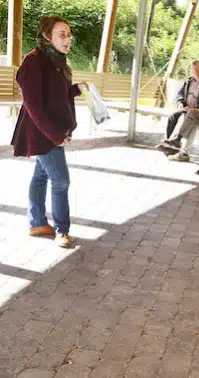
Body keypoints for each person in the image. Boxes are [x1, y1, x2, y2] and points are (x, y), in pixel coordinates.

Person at [11, 16, 87, 248]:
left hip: (51, 129)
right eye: (61, 34)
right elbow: (34, 106)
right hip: (42, 133)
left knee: (41, 176)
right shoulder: (34, 61)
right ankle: (61, 230)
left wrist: (75, 90)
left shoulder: (56, 60)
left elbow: (53, 92)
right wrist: (55, 136)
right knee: (61, 181)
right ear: (47, 36)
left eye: (68, 34)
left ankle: (36, 223)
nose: (67, 39)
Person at [156, 60, 199, 145]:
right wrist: (180, 103)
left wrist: (193, 107)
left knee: (185, 116)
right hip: (185, 108)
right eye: (195, 69)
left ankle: (176, 140)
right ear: (191, 71)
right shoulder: (188, 82)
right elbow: (179, 95)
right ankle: (168, 140)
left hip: (197, 109)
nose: (198, 71)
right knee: (173, 116)